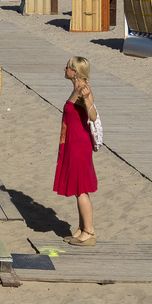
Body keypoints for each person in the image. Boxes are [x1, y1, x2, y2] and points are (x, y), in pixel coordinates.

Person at [54, 56, 99, 245]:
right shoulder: (75, 88)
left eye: (67, 67)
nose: (64, 68)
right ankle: (81, 228)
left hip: (80, 144)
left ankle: (89, 232)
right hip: (73, 142)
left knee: (82, 190)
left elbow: (94, 116)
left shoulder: (82, 90)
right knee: (77, 188)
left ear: (75, 72)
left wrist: (88, 100)